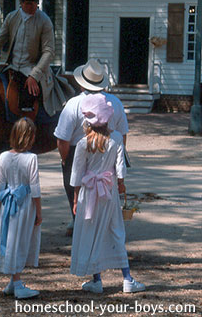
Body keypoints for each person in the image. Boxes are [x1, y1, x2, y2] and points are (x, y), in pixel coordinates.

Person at [70, 93, 145, 294]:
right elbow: (120, 168)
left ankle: (97, 279)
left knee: (92, 232)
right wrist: (121, 184)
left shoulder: (83, 143)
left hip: (88, 193)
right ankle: (127, 278)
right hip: (108, 191)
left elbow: (76, 174)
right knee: (115, 230)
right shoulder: (117, 139)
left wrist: (76, 198)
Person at [54, 58, 129, 235]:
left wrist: (65, 160)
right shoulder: (116, 103)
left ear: (81, 84)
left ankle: (79, 223)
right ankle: (105, 227)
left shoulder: (73, 104)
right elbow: (123, 135)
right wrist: (116, 157)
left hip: (78, 151)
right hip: (108, 150)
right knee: (106, 192)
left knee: (77, 191)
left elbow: (62, 139)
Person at [0, 0, 74, 116]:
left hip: (33, 68)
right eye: (28, 4)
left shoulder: (44, 21)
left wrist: (34, 75)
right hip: (11, 67)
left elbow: (49, 52)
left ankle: (29, 126)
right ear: (21, 3)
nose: (32, 7)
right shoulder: (11, 17)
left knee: (27, 99)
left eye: (35, 3)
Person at [0, 117, 42, 299]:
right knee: (20, 241)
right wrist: (39, 212)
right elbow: (35, 189)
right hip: (25, 205)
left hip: (8, 204)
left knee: (11, 238)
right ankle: (19, 283)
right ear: (29, 137)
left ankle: (13, 282)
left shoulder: (4, 156)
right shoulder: (31, 158)